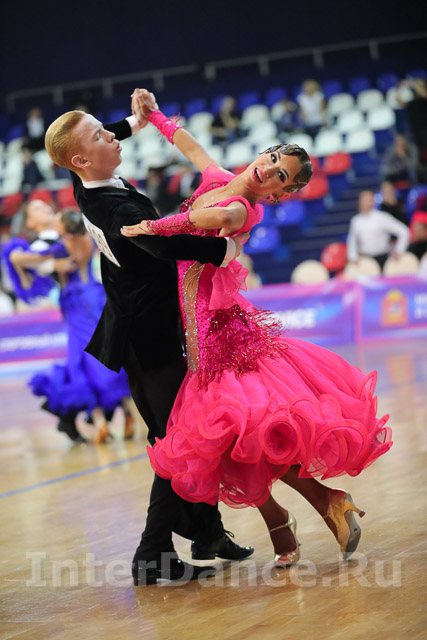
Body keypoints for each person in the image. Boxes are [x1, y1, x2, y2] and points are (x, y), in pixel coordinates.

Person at [122, 92, 393, 568]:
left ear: (278, 195)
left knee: (241, 434)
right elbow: (191, 146)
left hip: (221, 333)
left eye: (280, 176)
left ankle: (306, 512)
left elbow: (216, 218)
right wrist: (156, 116)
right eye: (272, 158)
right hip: (198, 330)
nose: (267, 170)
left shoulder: (246, 208)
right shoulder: (219, 179)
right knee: (233, 441)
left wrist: (156, 226)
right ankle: (307, 513)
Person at [44, 92, 253, 586]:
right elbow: (160, 246)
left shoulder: (87, 181)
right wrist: (224, 250)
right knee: (178, 440)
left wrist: (136, 122)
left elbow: (99, 138)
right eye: (101, 135)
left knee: (185, 433)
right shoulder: (113, 206)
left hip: (143, 323)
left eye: (106, 128)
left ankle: (208, 534)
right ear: (81, 160)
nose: (111, 136)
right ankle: (152, 554)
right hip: (148, 336)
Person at [347, 190, 410, 269]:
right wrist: (353, 257)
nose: (366, 203)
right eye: (364, 200)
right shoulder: (356, 221)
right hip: (365, 260)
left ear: (373, 201)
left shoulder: (382, 217)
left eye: (369, 200)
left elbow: (403, 230)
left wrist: (399, 250)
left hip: (382, 259)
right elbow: (352, 241)